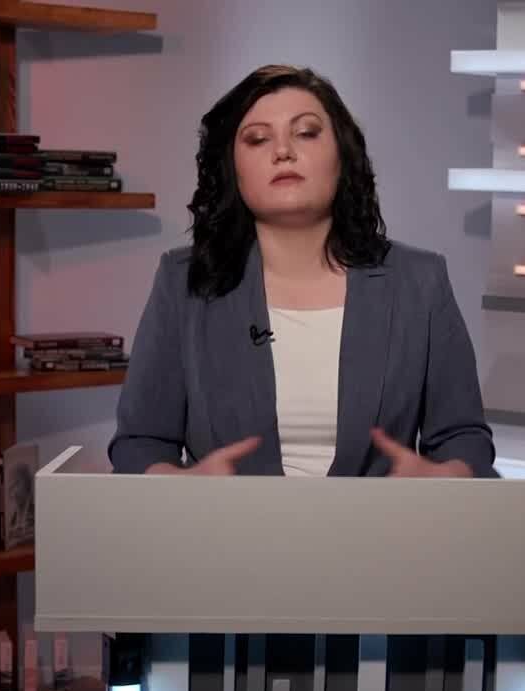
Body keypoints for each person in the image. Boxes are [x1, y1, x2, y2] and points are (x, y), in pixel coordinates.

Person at [108, 65, 498, 479]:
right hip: (230, 520)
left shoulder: (419, 282)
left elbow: (463, 436)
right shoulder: (183, 282)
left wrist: (449, 474)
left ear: (343, 156)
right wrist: (180, 482)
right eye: (258, 139)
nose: (283, 151)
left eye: (306, 133)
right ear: (233, 170)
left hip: (379, 521)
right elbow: (139, 441)